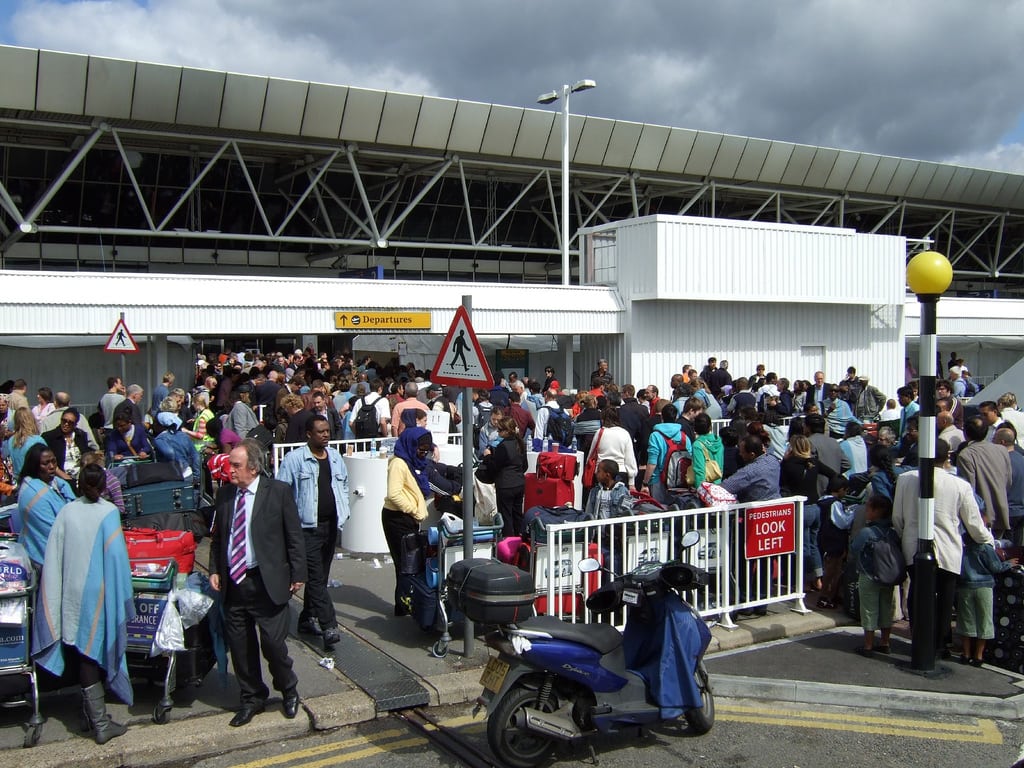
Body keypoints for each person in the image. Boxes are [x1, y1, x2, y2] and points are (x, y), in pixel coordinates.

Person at [31, 463, 133, 744]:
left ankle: (92, 715)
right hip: (98, 590)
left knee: (81, 648)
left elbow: (54, 554)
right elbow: (117, 561)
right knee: (92, 652)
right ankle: (100, 722)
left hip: (71, 590)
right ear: (103, 486)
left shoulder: (66, 511)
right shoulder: (109, 512)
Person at [209, 439, 306, 727]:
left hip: (267, 581)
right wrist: (215, 569)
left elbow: (294, 535)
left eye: (236, 465)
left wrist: (298, 573)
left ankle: (288, 689)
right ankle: (252, 697)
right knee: (240, 646)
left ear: (253, 467)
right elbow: (219, 538)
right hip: (235, 583)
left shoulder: (277, 492)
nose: (230, 470)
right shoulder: (225, 495)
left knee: (273, 645)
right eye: (229, 465)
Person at [893, 438, 994, 660]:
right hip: (949, 549)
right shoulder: (960, 485)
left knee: (918, 594)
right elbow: (974, 524)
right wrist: (989, 540)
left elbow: (897, 518)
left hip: (914, 546)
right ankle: (940, 643)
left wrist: (904, 536)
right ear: (947, 457)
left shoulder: (905, 480)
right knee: (945, 599)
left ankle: (919, 639)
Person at [276, 415, 350, 649]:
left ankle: (307, 618)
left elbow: (344, 484)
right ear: (309, 434)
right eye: (320, 432)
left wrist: (344, 508)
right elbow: (282, 493)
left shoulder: (335, 457)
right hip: (306, 528)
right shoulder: (295, 459)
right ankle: (329, 625)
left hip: (331, 525)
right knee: (316, 579)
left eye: (327, 431)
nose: (326, 435)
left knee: (321, 576)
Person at [381, 427, 432, 616]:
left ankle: (403, 603)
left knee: (408, 563)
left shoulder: (412, 462)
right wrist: (413, 509)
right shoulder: (399, 464)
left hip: (407, 518)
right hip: (397, 518)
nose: (423, 453)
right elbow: (393, 494)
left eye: (426, 449)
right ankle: (402, 604)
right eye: (421, 449)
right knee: (404, 563)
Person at [957, 534, 1017, 666]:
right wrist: (1009, 563)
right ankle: (978, 656)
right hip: (984, 586)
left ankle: (966, 654)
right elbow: (996, 567)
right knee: (984, 621)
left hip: (965, 586)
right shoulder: (985, 548)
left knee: (966, 620)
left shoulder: (963, 549)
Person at [849, 495, 897, 656]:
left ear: (876, 511)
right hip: (888, 576)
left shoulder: (867, 532)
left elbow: (855, 548)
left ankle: (868, 645)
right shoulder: (893, 531)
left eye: (868, 509)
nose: (866, 512)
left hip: (869, 575)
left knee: (869, 610)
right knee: (886, 608)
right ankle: (885, 642)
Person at [17, 444, 76, 565]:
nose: (52, 467)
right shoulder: (33, 495)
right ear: (35, 466)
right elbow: (54, 534)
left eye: (54, 461)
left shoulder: (52, 482)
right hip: (42, 560)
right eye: (46, 463)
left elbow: (64, 486)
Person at [955, 416, 1012, 536]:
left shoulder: (966, 455)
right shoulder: (1002, 450)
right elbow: (1008, 481)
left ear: (966, 433)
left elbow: (969, 490)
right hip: (1002, 511)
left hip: (982, 516)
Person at [477, 416, 528, 538]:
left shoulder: (503, 446)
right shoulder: (521, 444)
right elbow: (525, 466)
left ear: (506, 431)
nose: (498, 433)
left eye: (499, 430)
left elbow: (494, 466)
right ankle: (520, 541)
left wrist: (488, 456)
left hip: (505, 486)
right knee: (517, 515)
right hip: (519, 484)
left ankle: (508, 544)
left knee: (506, 517)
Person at [640, 403, 688, 505]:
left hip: (658, 480)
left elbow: (652, 463)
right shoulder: (684, 437)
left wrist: (645, 483)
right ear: (675, 417)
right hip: (680, 482)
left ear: (662, 417)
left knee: (659, 511)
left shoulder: (656, 436)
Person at [42, 407, 90, 488]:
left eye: (70, 422)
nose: (66, 424)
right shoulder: (49, 437)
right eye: (64, 420)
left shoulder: (81, 436)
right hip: (60, 477)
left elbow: (85, 456)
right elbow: (50, 463)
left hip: (81, 477)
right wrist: (67, 479)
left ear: (75, 424)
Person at [3, 407, 46, 478]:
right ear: (31, 419)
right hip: (34, 481)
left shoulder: (11, 440)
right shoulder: (38, 440)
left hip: (17, 481)